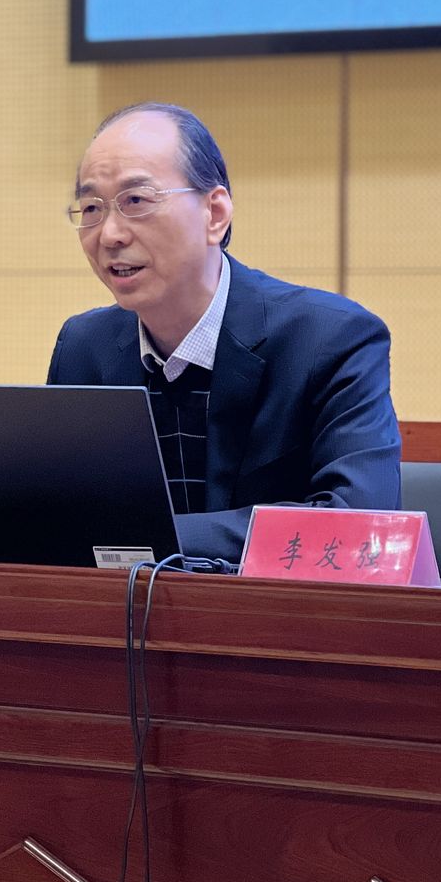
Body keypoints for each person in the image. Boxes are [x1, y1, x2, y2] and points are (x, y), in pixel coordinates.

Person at [48, 102, 400, 564]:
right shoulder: (84, 347)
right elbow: (57, 515)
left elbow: (359, 527)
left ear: (214, 214)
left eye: (136, 201)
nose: (110, 234)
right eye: (92, 208)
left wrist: (145, 534)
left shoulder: (330, 340)